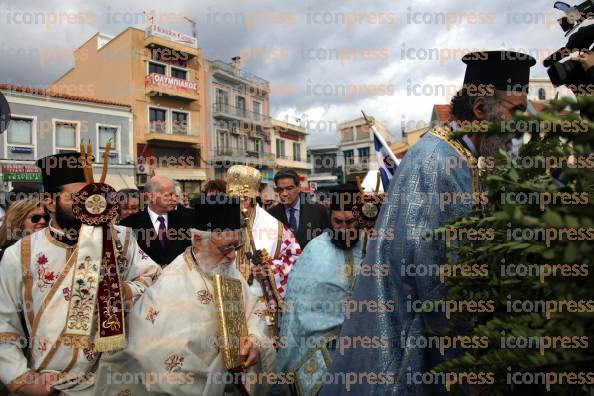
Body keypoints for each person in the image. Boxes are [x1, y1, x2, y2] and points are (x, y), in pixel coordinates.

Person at [321, 51, 536, 396]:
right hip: (410, 349)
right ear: (481, 110)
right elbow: (436, 278)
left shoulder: (464, 157)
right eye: (515, 112)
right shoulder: (435, 162)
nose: (520, 127)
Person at [0, 152, 161, 395]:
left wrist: (120, 292)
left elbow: (155, 281)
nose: (86, 204)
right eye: (76, 198)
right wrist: (22, 380)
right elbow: (4, 322)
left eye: (89, 195)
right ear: (50, 202)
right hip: (52, 382)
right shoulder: (20, 254)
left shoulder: (121, 238)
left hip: (116, 377)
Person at [92, 194, 276, 395]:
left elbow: (254, 309)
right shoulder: (172, 283)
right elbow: (156, 356)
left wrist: (254, 339)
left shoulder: (226, 269)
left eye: (236, 247)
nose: (233, 256)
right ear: (198, 240)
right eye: (225, 248)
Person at [276, 183, 364, 396]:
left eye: (350, 222)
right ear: (329, 218)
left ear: (360, 219)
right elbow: (296, 310)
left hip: (365, 348)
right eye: (338, 222)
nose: (344, 228)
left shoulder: (373, 247)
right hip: (321, 350)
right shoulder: (315, 250)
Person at [226, 165, 301, 337]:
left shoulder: (275, 228)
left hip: (261, 304)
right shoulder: (220, 223)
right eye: (233, 198)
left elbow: (295, 258)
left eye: (243, 198)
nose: (238, 203)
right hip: (227, 300)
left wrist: (269, 270)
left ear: (252, 197)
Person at [120, 175, 192, 267]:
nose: (174, 199)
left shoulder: (188, 220)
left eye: (174, 195)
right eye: (168, 195)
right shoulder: (128, 225)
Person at [268, 168, 330, 248]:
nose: (284, 193)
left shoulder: (319, 211)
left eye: (289, 188)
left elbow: (327, 242)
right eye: (280, 189)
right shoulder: (271, 215)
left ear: (299, 188)